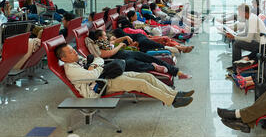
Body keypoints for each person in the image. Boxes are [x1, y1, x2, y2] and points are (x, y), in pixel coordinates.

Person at [55, 43, 194, 107]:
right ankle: (172, 101)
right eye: (71, 52)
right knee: (142, 84)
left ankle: (174, 94)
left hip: (105, 77)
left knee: (147, 76)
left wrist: (95, 64)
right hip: (100, 86)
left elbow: (98, 60)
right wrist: (96, 65)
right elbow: (94, 73)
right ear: (64, 59)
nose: (75, 52)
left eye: (73, 50)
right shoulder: (71, 69)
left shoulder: (78, 61)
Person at [90, 29, 191, 79]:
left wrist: (125, 38)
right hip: (118, 58)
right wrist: (120, 45)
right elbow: (109, 54)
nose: (107, 37)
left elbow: (114, 42)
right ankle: (153, 67)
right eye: (104, 36)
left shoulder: (105, 43)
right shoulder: (99, 47)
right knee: (135, 63)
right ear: (99, 38)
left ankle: (177, 72)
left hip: (126, 53)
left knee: (149, 57)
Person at [225, 3, 266, 73]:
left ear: (244, 12)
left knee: (236, 43)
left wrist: (235, 37)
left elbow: (249, 39)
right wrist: (235, 35)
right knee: (235, 41)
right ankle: (236, 64)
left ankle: (235, 68)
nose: (239, 14)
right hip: (256, 41)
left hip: (260, 45)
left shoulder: (252, 20)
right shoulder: (249, 18)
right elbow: (245, 32)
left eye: (239, 12)